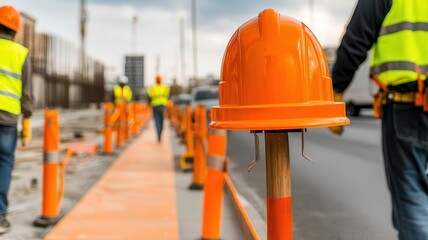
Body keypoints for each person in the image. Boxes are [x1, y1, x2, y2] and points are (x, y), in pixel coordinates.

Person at [330, 0, 428, 239]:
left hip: (408, 104)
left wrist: (335, 91)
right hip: (410, 102)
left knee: (412, 198)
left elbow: (355, 41)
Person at [0, 5, 33, 233]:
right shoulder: (21, 53)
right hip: (9, 120)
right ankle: (0, 216)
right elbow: (27, 92)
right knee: (4, 165)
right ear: (16, 30)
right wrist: (27, 120)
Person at [147, 75, 170, 142]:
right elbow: (168, 97)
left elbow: (149, 98)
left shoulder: (152, 88)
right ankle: (160, 134)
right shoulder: (165, 88)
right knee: (161, 121)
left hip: (155, 106)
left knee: (157, 121)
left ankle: (159, 134)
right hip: (162, 106)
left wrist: (149, 104)